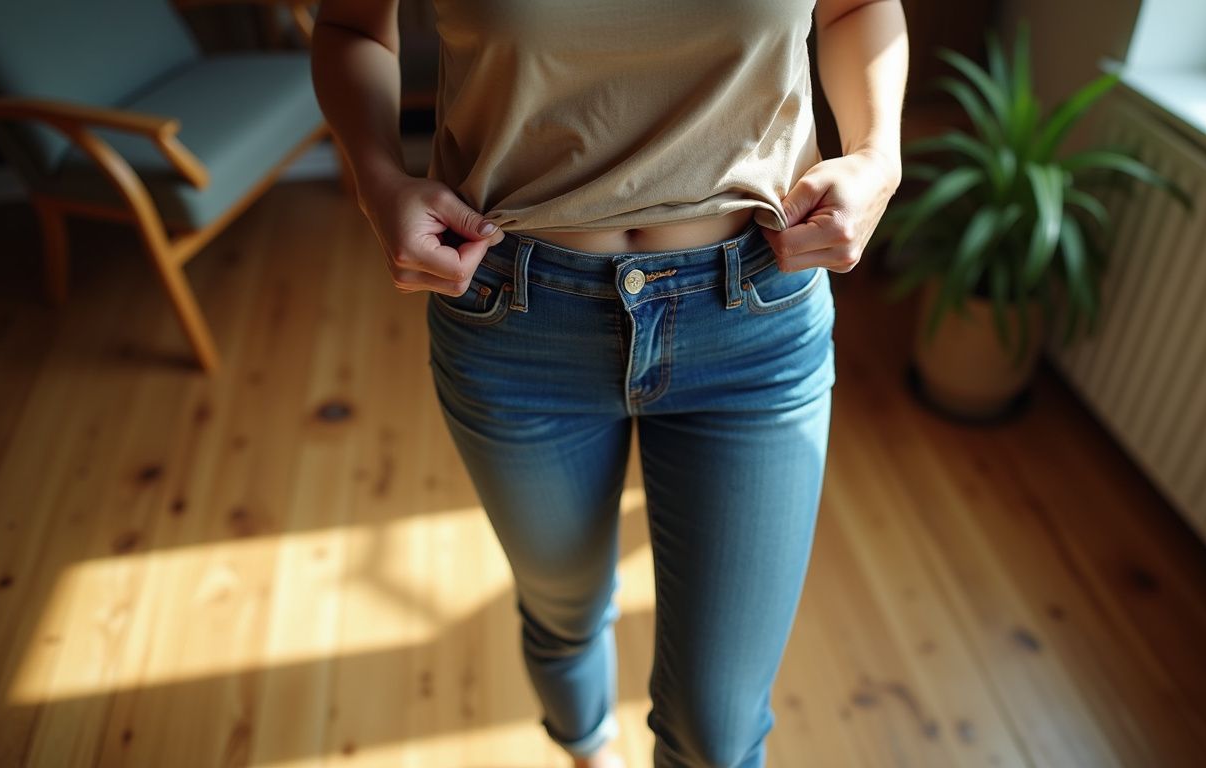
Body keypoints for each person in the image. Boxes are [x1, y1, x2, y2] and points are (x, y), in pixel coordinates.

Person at [310, 1, 906, 765]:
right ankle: (589, 750)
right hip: (517, 321)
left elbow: (857, 6)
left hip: (752, 318)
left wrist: (878, 153)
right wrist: (378, 180)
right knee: (565, 612)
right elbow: (351, 27)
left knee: (717, 734)